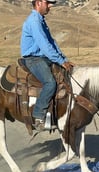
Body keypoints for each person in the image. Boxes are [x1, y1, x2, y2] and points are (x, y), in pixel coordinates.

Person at [20, 0, 74, 131]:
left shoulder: (41, 20)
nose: (50, 5)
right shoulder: (34, 21)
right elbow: (44, 45)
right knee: (50, 83)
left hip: (44, 57)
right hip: (34, 59)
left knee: (65, 76)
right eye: (48, 3)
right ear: (38, 3)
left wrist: (64, 59)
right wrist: (60, 61)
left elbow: (52, 43)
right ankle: (38, 116)